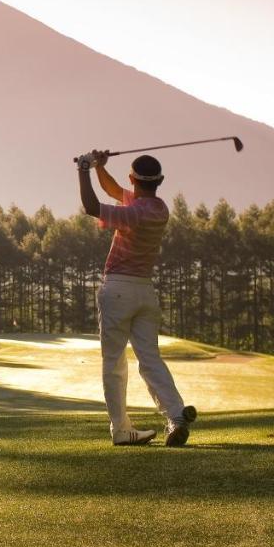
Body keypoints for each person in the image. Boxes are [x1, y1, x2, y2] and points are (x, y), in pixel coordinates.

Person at [75, 150, 197, 446]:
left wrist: (83, 169)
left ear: (133, 179)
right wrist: (101, 167)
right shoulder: (159, 208)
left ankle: (121, 429)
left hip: (118, 289)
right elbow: (114, 190)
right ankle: (176, 416)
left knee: (114, 362)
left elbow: (92, 206)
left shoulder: (131, 214)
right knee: (150, 359)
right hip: (145, 291)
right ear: (161, 181)